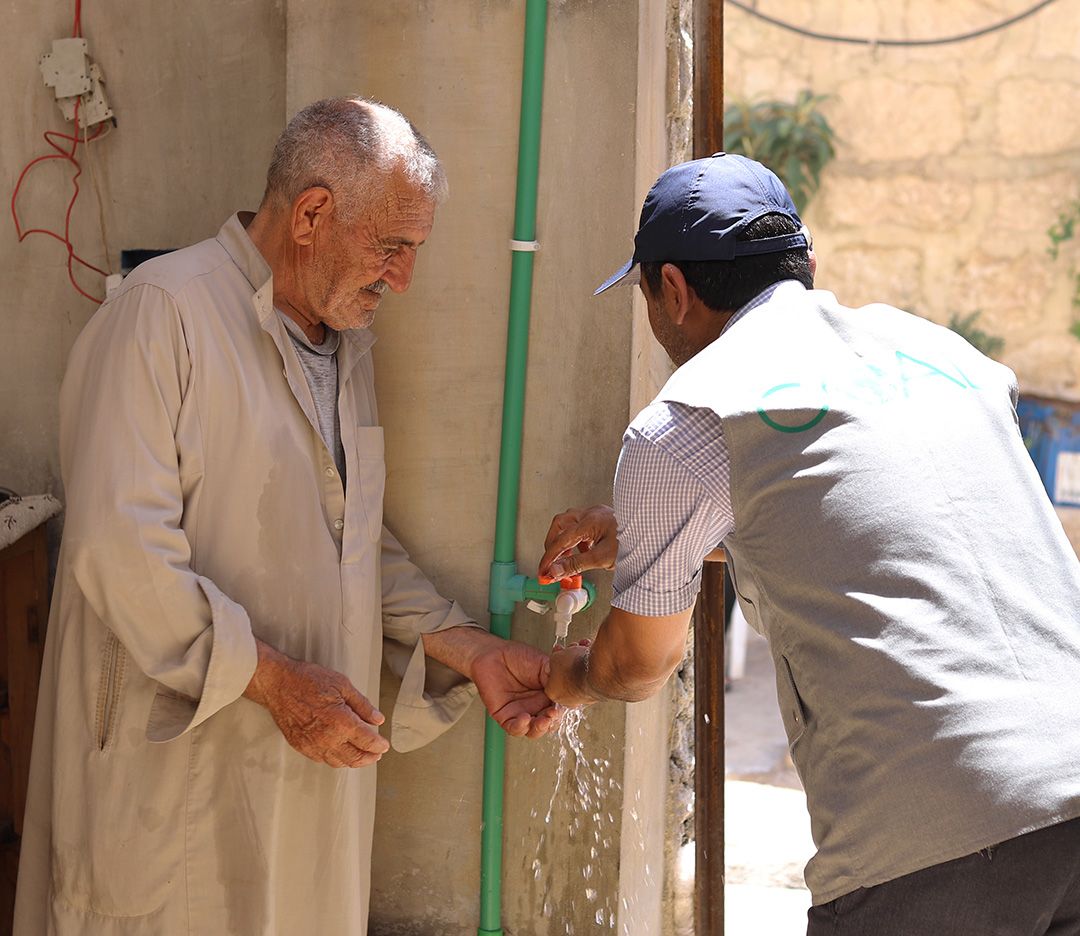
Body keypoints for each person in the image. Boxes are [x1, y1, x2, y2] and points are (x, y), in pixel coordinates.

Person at [14, 97, 558, 935]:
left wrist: (464, 644)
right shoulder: (165, 313)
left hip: (300, 790)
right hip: (176, 781)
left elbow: (349, 540)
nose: (404, 278)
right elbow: (120, 552)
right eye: (392, 247)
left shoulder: (342, 344)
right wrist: (273, 682)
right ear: (311, 213)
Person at [540, 153, 1080, 934]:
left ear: (674, 291)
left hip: (936, 838)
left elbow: (635, 665)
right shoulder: (942, 356)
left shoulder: (689, 417)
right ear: (804, 265)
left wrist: (569, 679)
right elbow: (856, 523)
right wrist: (644, 538)